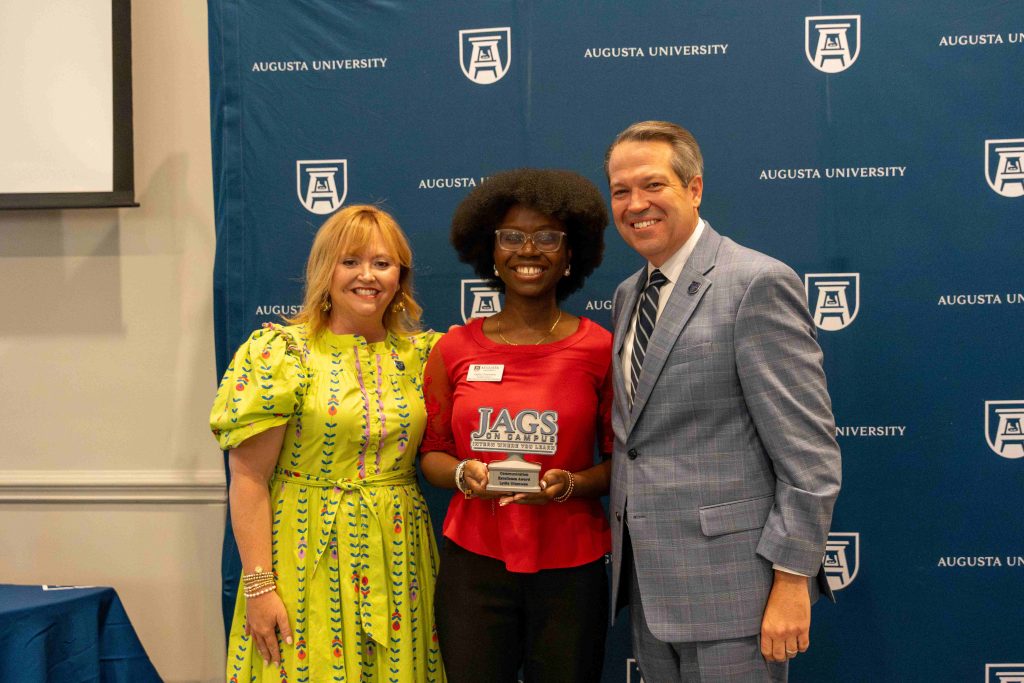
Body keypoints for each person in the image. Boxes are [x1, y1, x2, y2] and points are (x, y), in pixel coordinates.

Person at [604, 121, 842, 682]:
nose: (635, 204)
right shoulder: (627, 294)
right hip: (651, 588)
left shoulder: (755, 282)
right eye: (620, 191)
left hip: (740, 594)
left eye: (653, 185)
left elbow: (810, 456)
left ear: (694, 189)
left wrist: (791, 580)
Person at [210, 205, 445, 683]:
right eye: (350, 261)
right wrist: (258, 587)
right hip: (302, 553)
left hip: (398, 553)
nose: (368, 276)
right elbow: (250, 477)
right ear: (324, 270)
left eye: (382, 263)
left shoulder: (424, 356)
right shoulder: (281, 352)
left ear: (401, 276)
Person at [419, 168, 613, 683]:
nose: (529, 250)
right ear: (492, 252)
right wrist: (463, 476)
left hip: (572, 566)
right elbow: (433, 452)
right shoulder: (453, 349)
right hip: (474, 565)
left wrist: (569, 485)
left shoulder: (601, 349)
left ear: (572, 254)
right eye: (512, 237)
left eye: (548, 237)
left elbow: (625, 463)